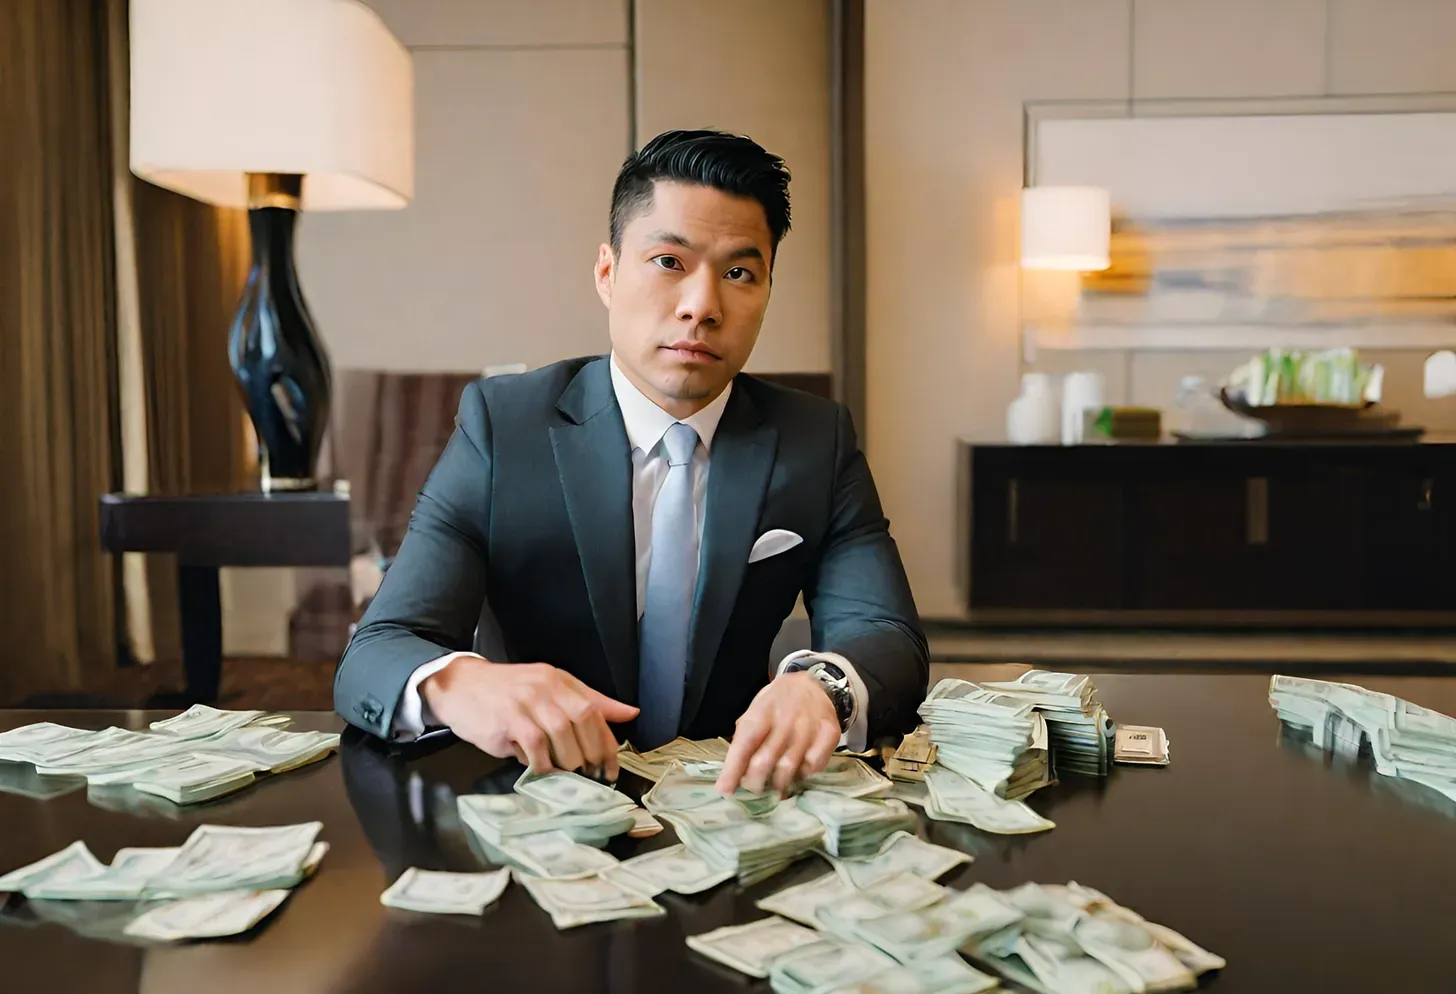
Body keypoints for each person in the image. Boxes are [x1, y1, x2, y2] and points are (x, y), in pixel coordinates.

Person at [334, 129, 927, 797]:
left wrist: (822, 690)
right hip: (535, 799)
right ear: (608, 274)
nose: (702, 306)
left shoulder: (815, 438)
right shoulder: (505, 427)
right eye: (669, 262)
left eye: (739, 273)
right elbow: (378, 652)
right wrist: (462, 683)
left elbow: (886, 635)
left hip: (731, 796)